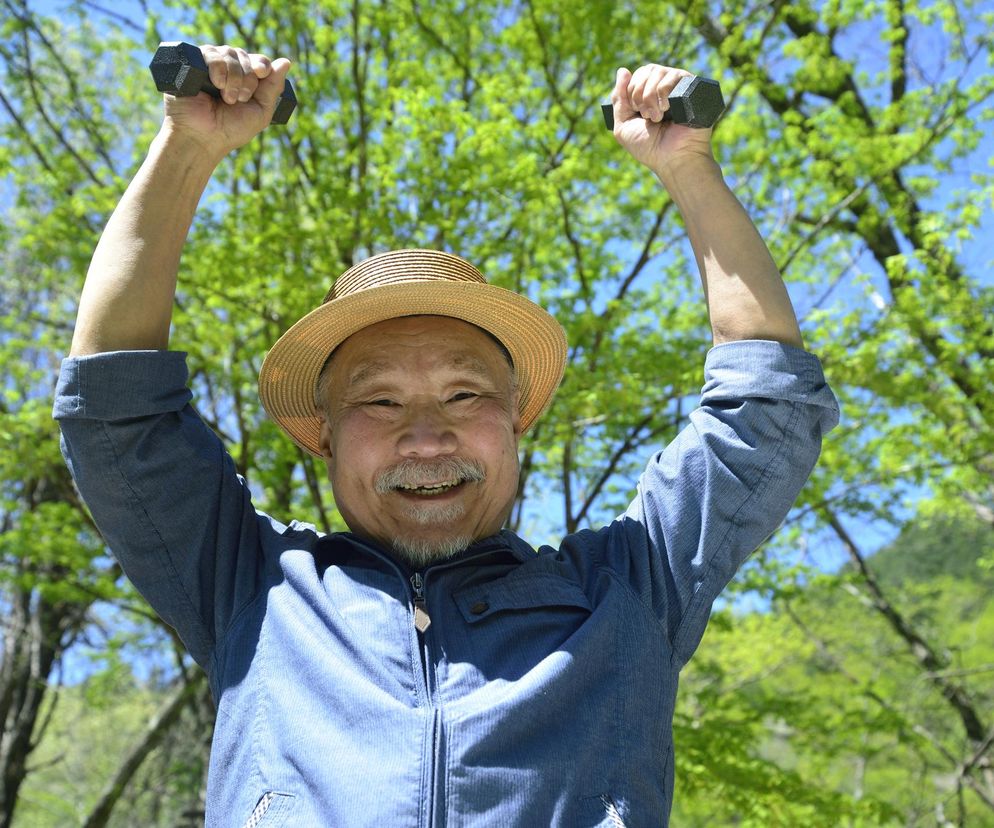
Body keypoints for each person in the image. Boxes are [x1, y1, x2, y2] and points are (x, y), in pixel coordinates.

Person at [54, 44, 839, 827]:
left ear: (516, 421)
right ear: (322, 434)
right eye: (382, 403)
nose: (427, 440)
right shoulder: (252, 592)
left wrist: (689, 167)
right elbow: (117, 407)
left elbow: (764, 407)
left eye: (465, 394)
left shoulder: (628, 593)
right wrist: (186, 146)